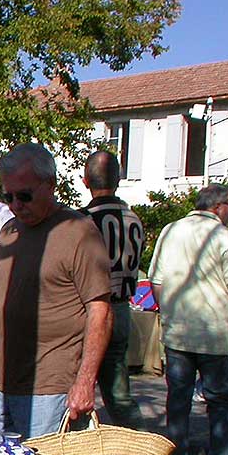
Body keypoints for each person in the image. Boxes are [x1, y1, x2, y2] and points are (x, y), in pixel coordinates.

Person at [0, 143, 111, 441]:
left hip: (50, 387)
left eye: (24, 195)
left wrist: (85, 381)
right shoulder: (9, 231)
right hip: (1, 384)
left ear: (50, 185)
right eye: (8, 196)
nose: (15, 204)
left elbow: (99, 310)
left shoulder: (79, 232)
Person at [148, 184, 228, 455]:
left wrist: (168, 312)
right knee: (220, 400)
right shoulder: (226, 238)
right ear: (219, 207)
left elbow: (157, 281)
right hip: (215, 331)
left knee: (177, 401)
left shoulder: (170, 231)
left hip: (179, 330)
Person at [80, 150, 145, 428]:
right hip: (121, 306)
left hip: (89, 309)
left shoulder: (81, 221)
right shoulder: (134, 220)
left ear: (85, 181)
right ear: (118, 180)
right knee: (118, 392)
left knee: (77, 385)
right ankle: (138, 445)